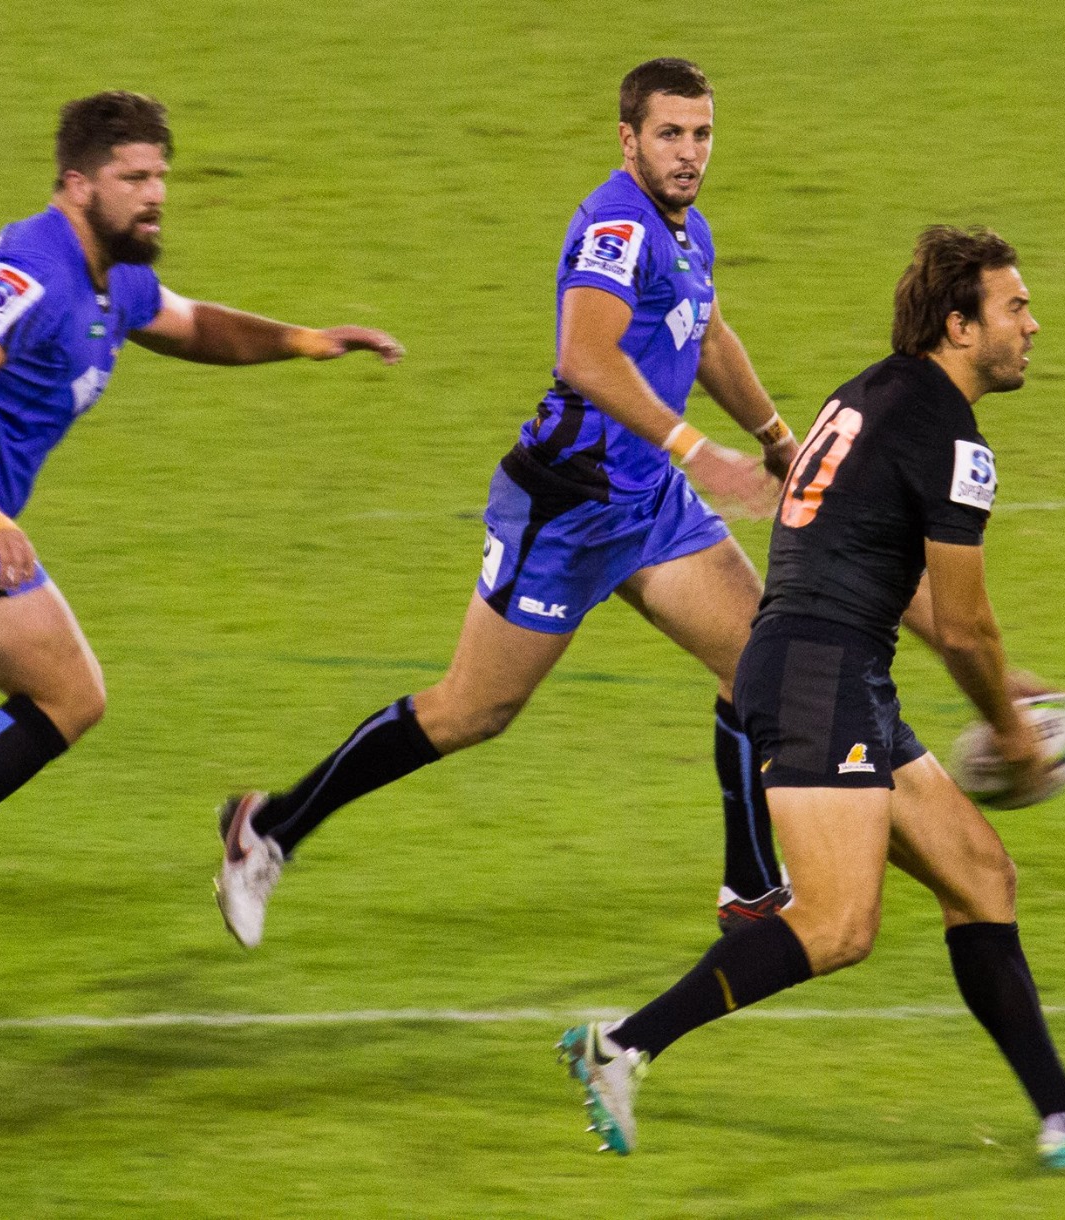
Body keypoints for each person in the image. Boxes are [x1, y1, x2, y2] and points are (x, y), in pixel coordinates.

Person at [556, 226, 1065, 1169]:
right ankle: (624, 1046)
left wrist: (1001, 691)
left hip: (829, 667)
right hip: (824, 680)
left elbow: (881, 573)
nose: (1033, 325)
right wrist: (1012, 734)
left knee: (981, 877)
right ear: (960, 326)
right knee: (838, 925)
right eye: (1015, 308)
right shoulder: (953, 443)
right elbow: (968, 627)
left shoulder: (867, 394)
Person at [212, 57, 803, 947]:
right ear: (628, 139)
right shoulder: (615, 224)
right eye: (670, 134)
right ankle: (267, 829)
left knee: (762, 664)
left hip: (648, 505)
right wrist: (698, 449)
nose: (689, 153)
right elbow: (586, 358)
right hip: (565, 510)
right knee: (471, 712)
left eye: (702, 133)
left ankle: (751, 891)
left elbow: (707, 330)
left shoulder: (688, 232)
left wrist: (773, 434)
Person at [0, 90, 403, 987]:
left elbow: (193, 326)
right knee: (63, 688)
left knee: (69, 693)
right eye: (133, 177)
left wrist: (305, 341)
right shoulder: (33, 269)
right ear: (77, 184)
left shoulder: (112, 278)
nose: (155, 194)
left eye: (161, 175)